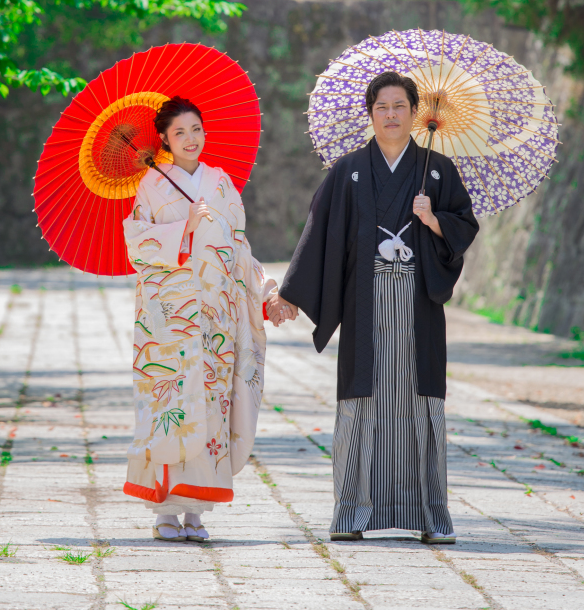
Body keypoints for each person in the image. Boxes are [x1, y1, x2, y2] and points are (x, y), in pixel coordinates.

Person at [270, 71, 479, 543]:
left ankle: (432, 515)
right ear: (371, 114)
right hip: (366, 304)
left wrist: (434, 219)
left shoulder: (438, 170)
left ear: (415, 112)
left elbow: (465, 226)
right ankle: (350, 512)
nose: (390, 115)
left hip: (417, 303)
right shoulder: (349, 170)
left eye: (399, 106)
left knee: (422, 401)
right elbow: (318, 233)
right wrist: (289, 294)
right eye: (382, 107)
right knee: (361, 403)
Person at [123, 95, 278, 542]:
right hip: (169, 317)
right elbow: (137, 245)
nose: (191, 139)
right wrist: (183, 228)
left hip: (216, 316)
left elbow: (239, 248)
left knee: (211, 407)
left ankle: (197, 511)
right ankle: (165, 512)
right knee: (172, 405)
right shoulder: (151, 186)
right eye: (179, 133)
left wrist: (266, 292)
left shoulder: (222, 183)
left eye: (196, 129)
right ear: (166, 141)